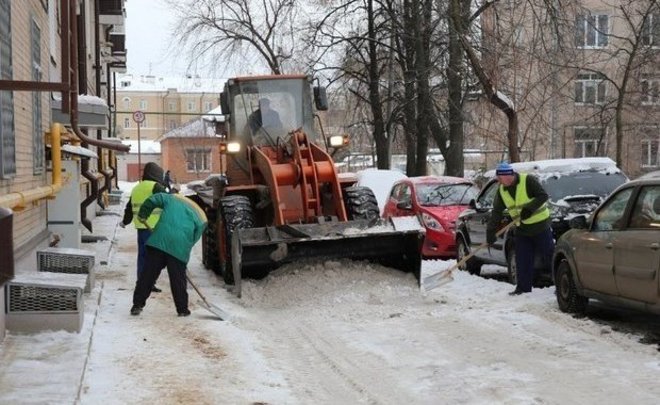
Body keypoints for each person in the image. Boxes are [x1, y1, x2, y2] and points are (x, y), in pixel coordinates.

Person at [130, 193, 208, 317]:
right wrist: (183, 250)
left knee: (148, 275)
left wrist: (143, 214)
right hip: (179, 248)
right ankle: (182, 310)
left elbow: (153, 199)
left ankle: (137, 305)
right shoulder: (203, 218)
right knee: (178, 279)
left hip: (159, 241)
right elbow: (194, 238)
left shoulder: (174, 198)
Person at [486, 162, 554, 295]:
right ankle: (523, 288)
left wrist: (529, 208)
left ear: (507, 176)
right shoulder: (502, 190)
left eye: (499, 179)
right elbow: (496, 212)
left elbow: (542, 196)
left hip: (540, 226)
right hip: (522, 228)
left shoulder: (527, 180)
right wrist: (491, 231)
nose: (498, 181)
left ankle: (560, 286)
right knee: (522, 259)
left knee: (550, 257)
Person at [121, 162, 167, 293]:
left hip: (141, 227)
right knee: (154, 257)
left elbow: (129, 207)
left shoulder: (137, 187)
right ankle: (148, 283)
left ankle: (143, 282)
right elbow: (168, 201)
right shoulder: (156, 187)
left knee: (143, 256)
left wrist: (125, 221)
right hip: (153, 227)